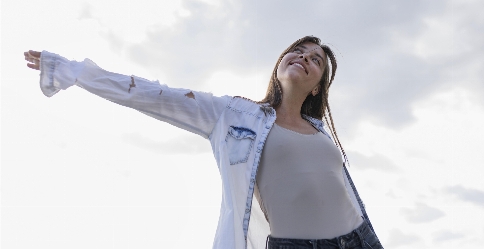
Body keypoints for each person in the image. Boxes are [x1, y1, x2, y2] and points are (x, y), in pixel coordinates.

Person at [24, 36, 383, 249]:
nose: (305, 57)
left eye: (315, 59)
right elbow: (156, 94)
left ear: (318, 85)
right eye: (299, 51)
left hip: (360, 238)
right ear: (280, 64)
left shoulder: (320, 130)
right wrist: (72, 71)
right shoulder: (232, 115)